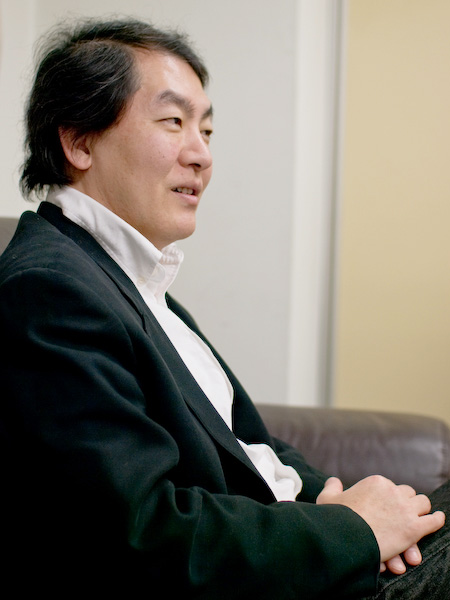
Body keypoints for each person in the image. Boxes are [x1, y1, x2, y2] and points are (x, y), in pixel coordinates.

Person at [0, 17, 448, 599]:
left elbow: (250, 448)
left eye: (207, 130)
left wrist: (343, 503)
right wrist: (354, 531)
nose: (201, 155)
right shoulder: (49, 293)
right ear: (79, 142)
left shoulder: (135, 285)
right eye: (173, 121)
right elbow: (142, 535)